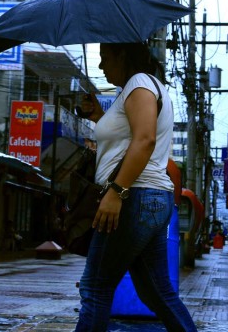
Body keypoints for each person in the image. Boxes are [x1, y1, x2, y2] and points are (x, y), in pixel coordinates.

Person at [74, 42, 197, 331]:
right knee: (156, 291)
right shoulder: (141, 88)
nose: (102, 66)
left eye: (106, 57)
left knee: (95, 287)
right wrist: (98, 118)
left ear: (123, 55)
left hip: (134, 197)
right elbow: (130, 138)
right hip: (150, 200)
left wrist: (116, 192)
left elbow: (145, 141)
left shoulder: (138, 83)